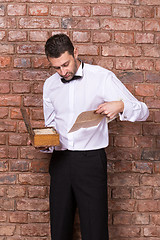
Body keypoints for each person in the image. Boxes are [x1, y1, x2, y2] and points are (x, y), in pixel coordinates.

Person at [43, 33, 149, 240]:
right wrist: (43, 144)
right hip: (61, 162)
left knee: (95, 230)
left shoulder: (102, 77)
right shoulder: (50, 85)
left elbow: (143, 110)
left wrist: (120, 105)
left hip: (90, 161)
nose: (62, 72)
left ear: (76, 53)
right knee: (59, 228)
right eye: (56, 67)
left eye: (65, 64)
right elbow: (51, 127)